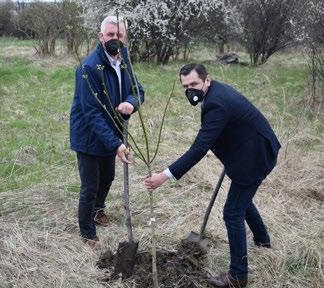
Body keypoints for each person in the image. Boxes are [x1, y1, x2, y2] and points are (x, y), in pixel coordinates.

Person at [144, 64, 280, 288]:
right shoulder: (214, 93)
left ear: (207, 80)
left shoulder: (217, 103)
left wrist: (165, 175)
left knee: (232, 212)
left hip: (255, 156)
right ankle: (263, 241)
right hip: (249, 149)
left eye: (194, 84)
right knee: (242, 202)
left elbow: (199, 149)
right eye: (186, 86)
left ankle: (238, 277)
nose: (190, 90)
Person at [70, 16, 144, 248]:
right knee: (90, 185)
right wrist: (116, 144)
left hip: (111, 132)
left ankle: (97, 211)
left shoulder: (124, 58)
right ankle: (87, 233)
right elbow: (92, 114)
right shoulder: (88, 68)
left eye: (119, 35)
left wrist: (131, 103)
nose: (115, 39)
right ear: (101, 37)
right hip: (90, 135)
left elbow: (137, 89)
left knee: (108, 177)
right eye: (110, 35)